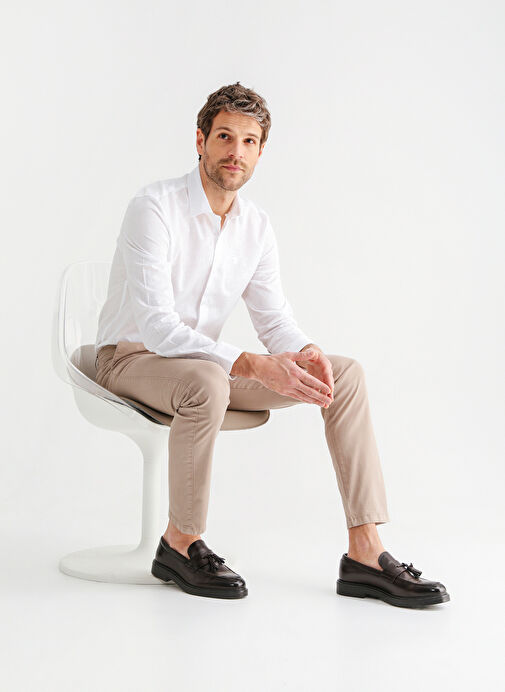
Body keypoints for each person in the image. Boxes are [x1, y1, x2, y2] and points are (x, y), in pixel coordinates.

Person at [95, 82, 449, 607]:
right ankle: (180, 542)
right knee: (208, 378)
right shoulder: (154, 207)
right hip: (130, 359)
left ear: (261, 151)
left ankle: (365, 552)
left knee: (344, 373)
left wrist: (305, 351)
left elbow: (273, 318)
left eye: (249, 141)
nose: (235, 152)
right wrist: (255, 365)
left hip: (202, 369)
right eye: (224, 137)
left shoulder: (255, 227)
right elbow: (157, 328)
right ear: (200, 140)